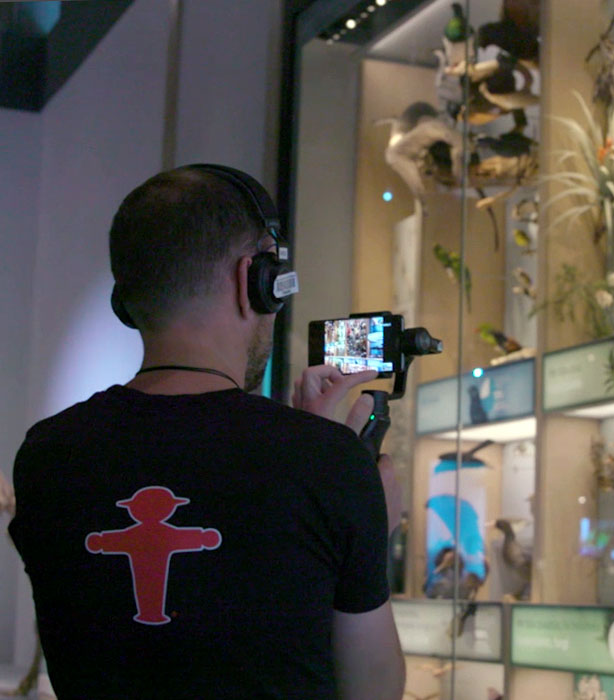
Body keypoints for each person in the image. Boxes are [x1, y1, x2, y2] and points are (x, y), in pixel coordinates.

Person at [8, 165, 406, 700]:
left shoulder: (47, 456)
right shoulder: (328, 463)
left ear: (125, 301)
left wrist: (317, 460)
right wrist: (364, 526)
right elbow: (372, 691)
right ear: (254, 280)